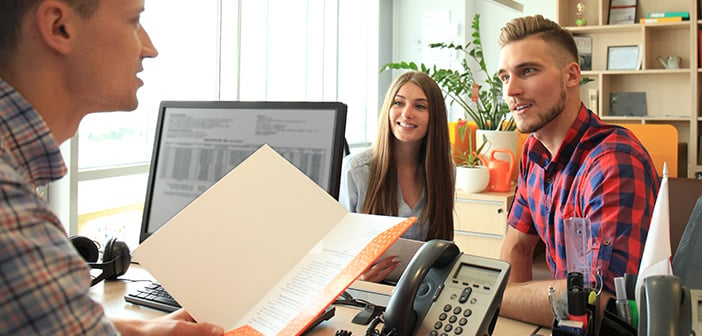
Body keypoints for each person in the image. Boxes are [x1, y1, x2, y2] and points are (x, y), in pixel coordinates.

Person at [0, 0, 224, 334]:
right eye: (134, 21)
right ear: (59, 26)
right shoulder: (12, 214)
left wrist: (138, 331)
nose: (150, 49)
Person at [495, 15, 659, 327]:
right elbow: (517, 245)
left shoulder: (613, 162)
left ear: (571, 76)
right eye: (504, 77)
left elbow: (597, 300)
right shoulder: (534, 151)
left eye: (527, 71)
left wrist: (496, 297)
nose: (511, 90)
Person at [339, 71, 455, 282]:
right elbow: (338, 252)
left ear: (434, 117)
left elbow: (443, 247)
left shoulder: (444, 169)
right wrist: (358, 277)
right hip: (370, 290)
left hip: (423, 289)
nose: (407, 113)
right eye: (399, 103)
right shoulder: (356, 170)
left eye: (420, 106)